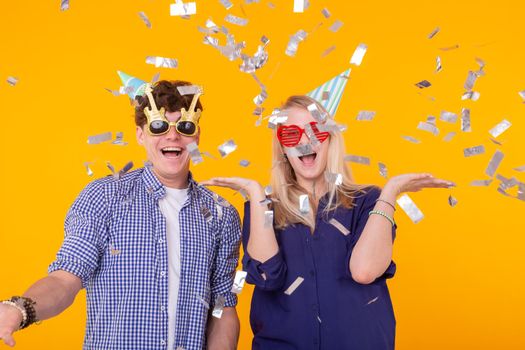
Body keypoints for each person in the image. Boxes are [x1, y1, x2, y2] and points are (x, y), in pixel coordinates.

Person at [0, 79, 242, 350]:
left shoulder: (223, 215)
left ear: (196, 136)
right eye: (159, 126)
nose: (173, 137)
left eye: (184, 127)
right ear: (140, 135)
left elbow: (223, 308)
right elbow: (64, 279)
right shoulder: (104, 196)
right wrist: (19, 309)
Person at [203, 95, 455, 349]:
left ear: (330, 137)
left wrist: (391, 191)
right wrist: (256, 193)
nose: (304, 142)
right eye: (291, 135)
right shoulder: (264, 208)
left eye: (315, 131)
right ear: (283, 149)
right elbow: (268, 275)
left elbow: (364, 271)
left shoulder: (368, 201)